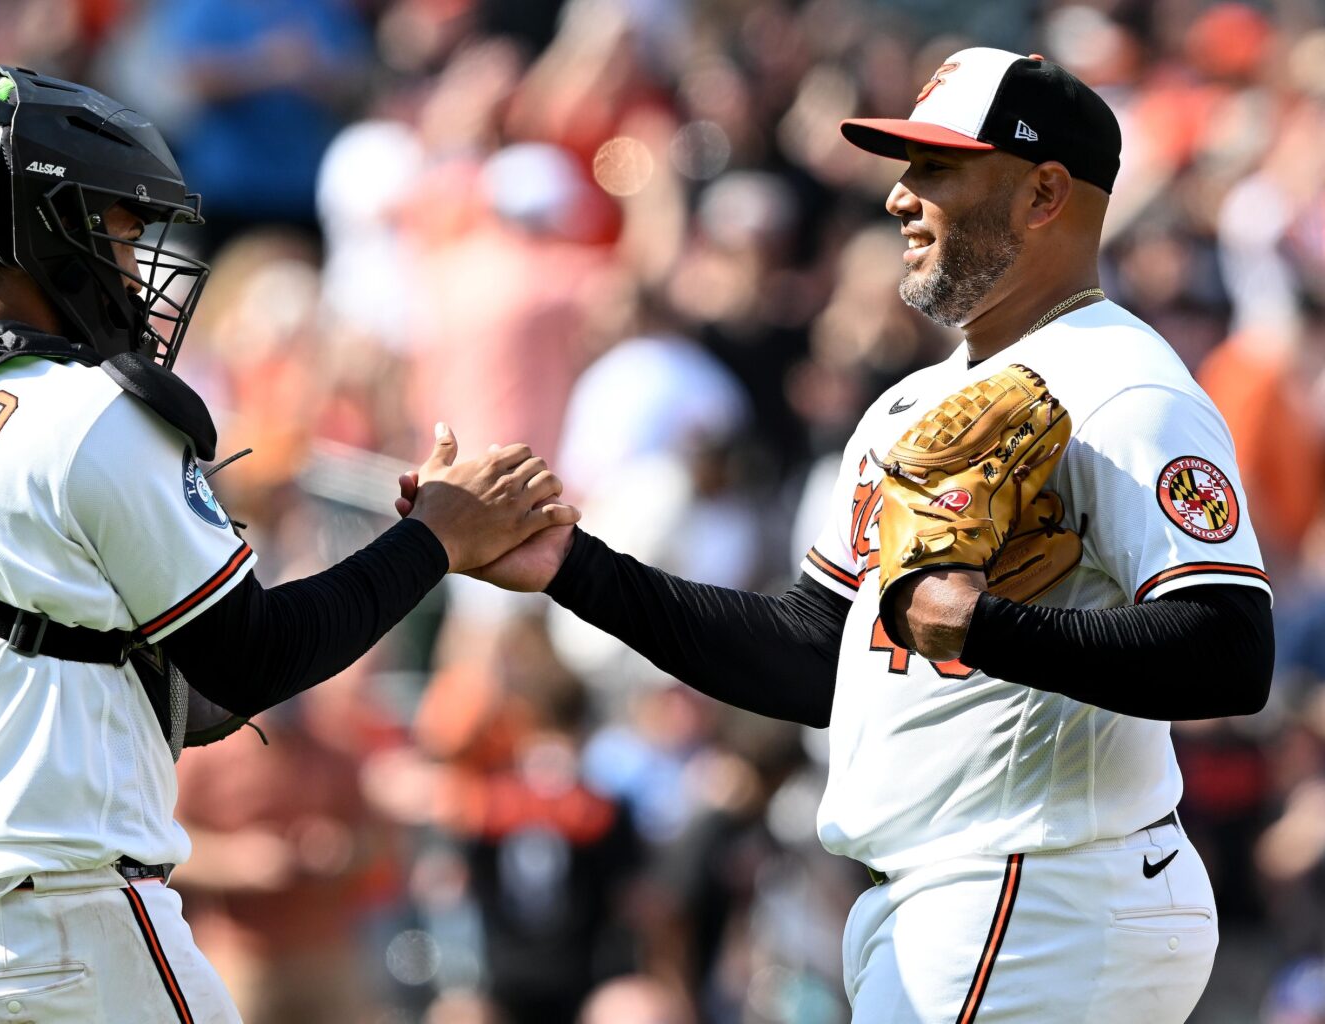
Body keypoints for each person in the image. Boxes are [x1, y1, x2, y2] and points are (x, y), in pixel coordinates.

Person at [405, 49, 1276, 1022]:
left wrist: (982, 628)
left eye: (938, 168)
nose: (901, 196)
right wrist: (574, 568)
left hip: (1034, 884)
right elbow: (813, 657)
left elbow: (1230, 653)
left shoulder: (1124, 390)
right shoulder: (912, 404)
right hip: (969, 894)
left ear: (1043, 193)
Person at [0, 66, 574, 1023]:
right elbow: (254, 656)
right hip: (60, 945)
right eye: (123, 228)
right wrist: (434, 539)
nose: (136, 267)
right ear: (52, 226)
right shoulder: (89, 414)